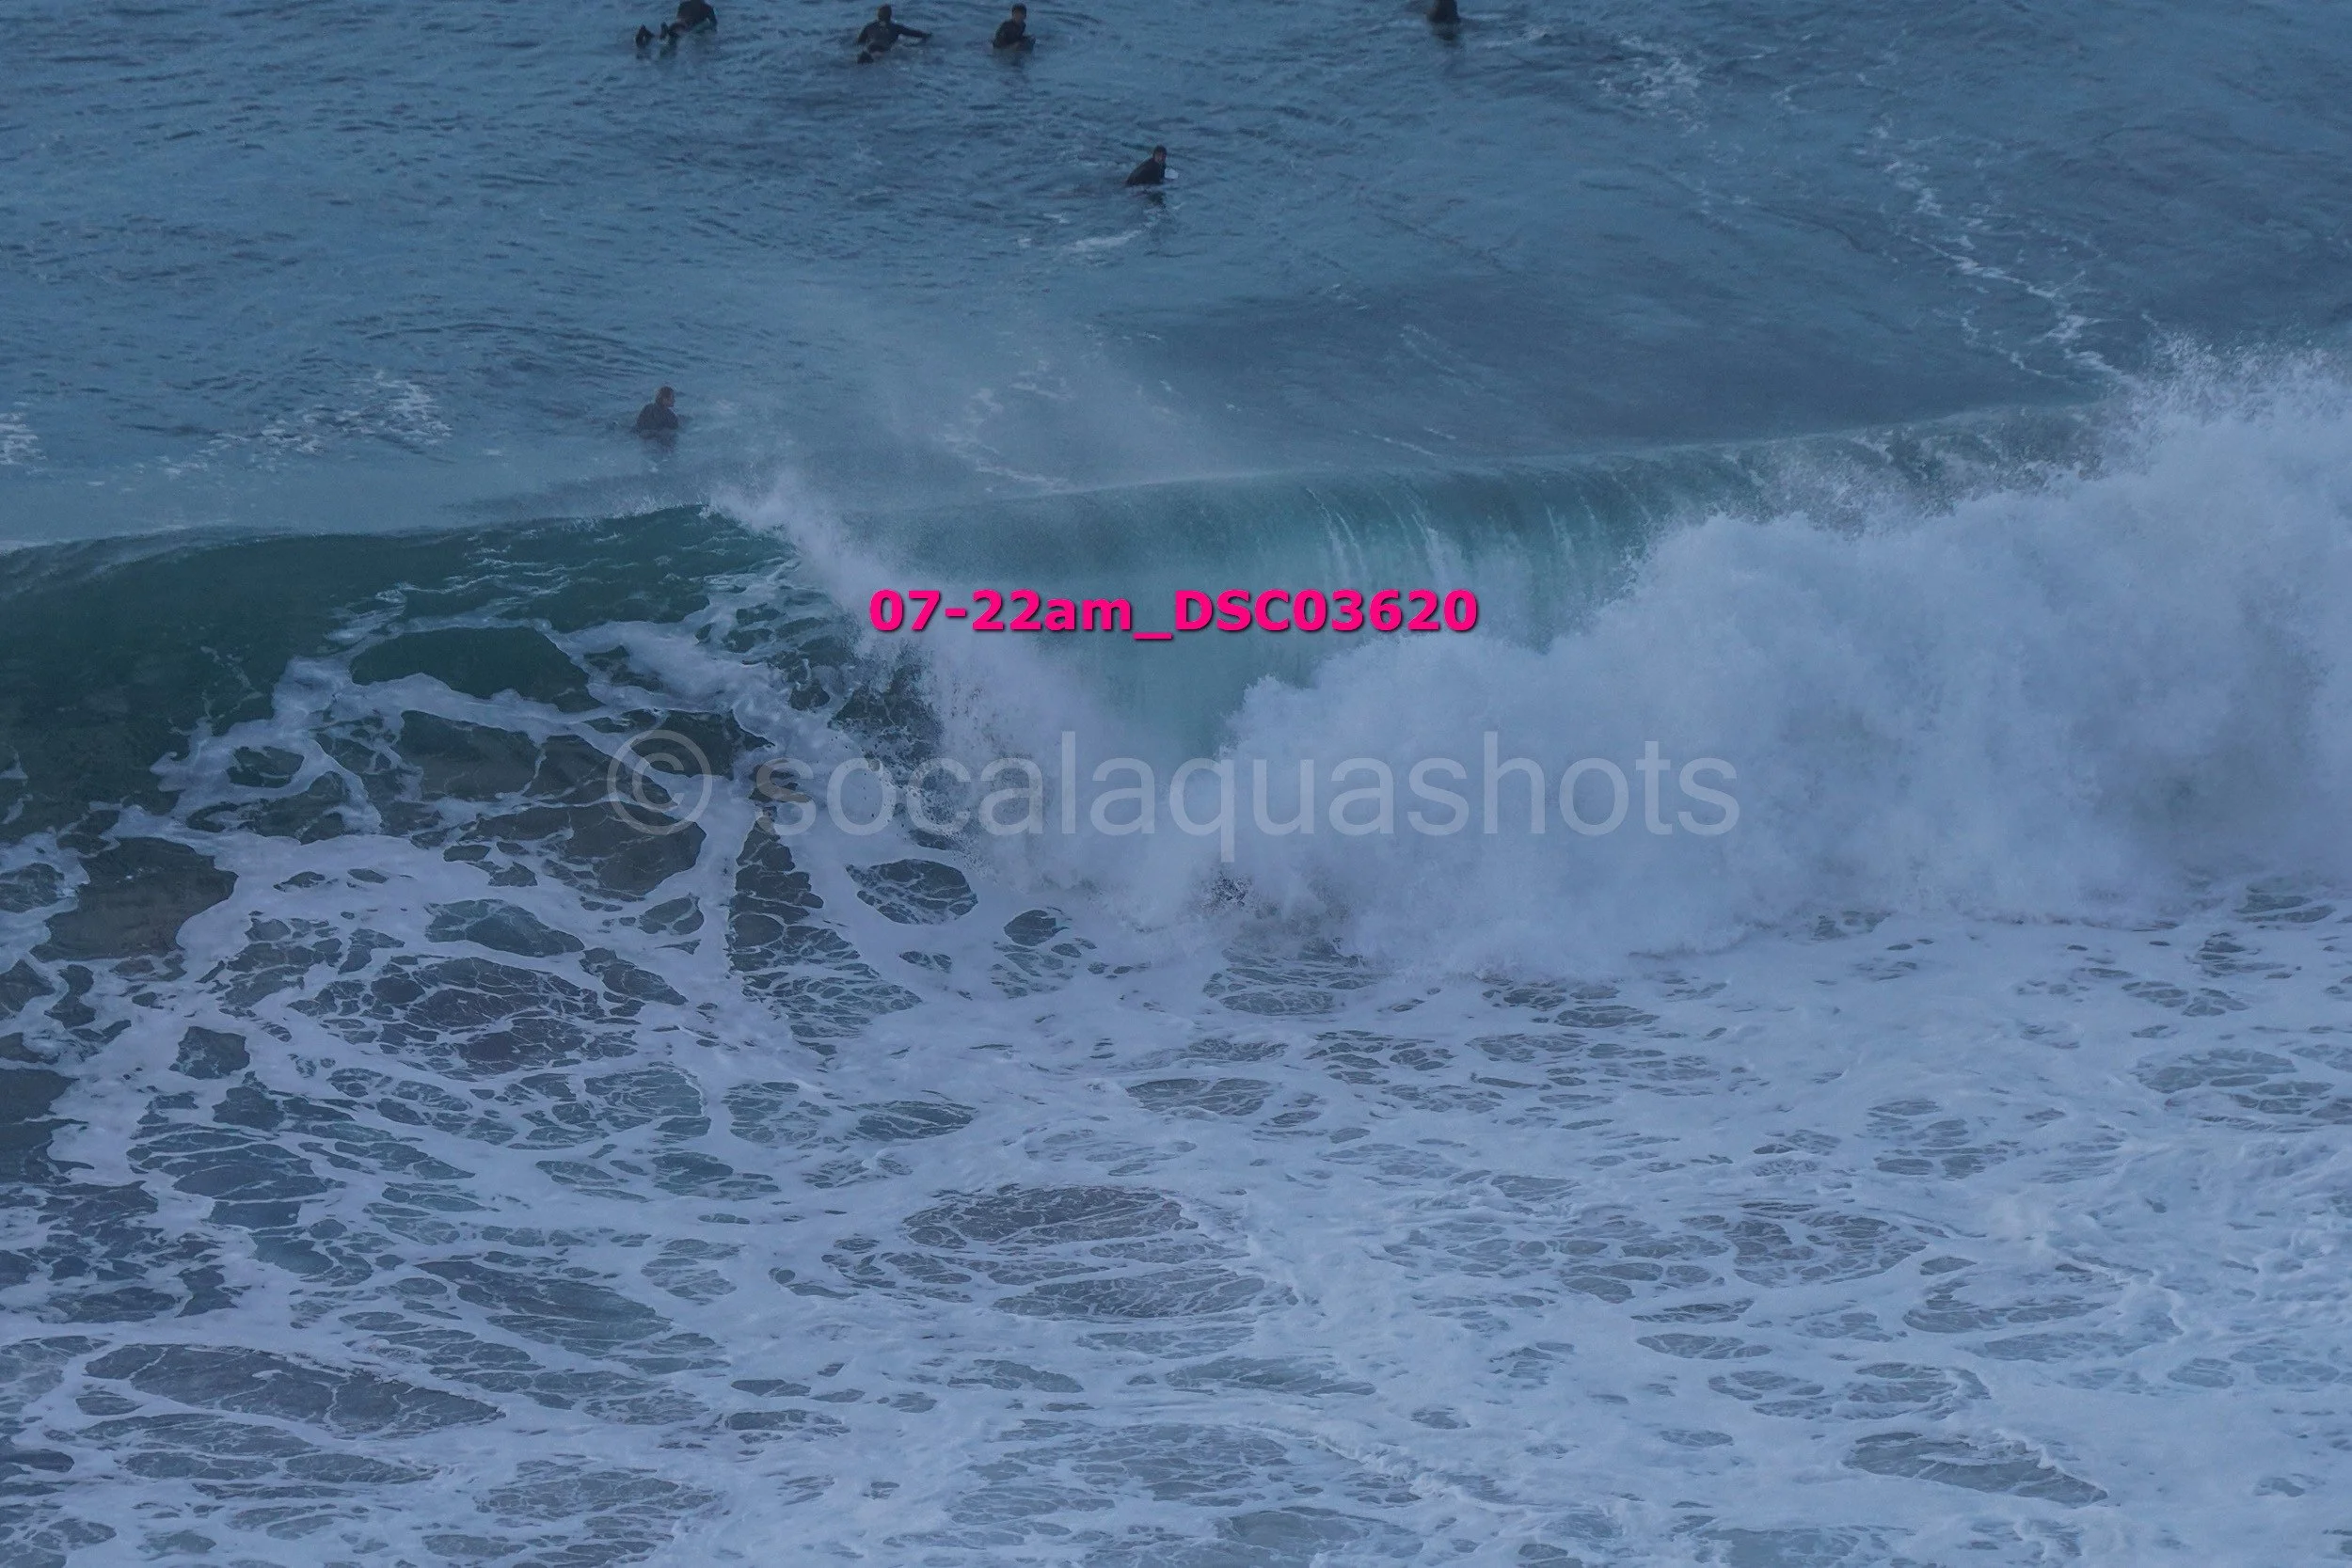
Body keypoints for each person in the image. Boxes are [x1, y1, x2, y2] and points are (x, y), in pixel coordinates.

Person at [856, 5, 929, 61]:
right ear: (890, 16)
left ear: (878, 16)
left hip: (871, 46)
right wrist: (926, 35)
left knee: (870, 52)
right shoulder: (896, 27)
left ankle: (866, 56)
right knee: (879, 56)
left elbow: (859, 42)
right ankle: (872, 57)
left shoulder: (869, 26)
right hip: (884, 47)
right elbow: (913, 33)